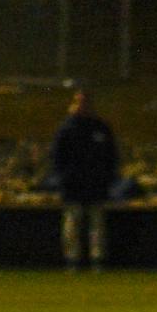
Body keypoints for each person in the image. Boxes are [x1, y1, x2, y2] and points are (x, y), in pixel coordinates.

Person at [50, 88, 119, 269]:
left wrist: (107, 177)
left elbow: (111, 156)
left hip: (95, 183)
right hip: (73, 184)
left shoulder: (100, 128)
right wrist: (64, 178)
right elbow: (57, 157)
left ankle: (98, 258)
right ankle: (72, 259)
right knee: (73, 222)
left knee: (96, 224)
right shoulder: (67, 129)